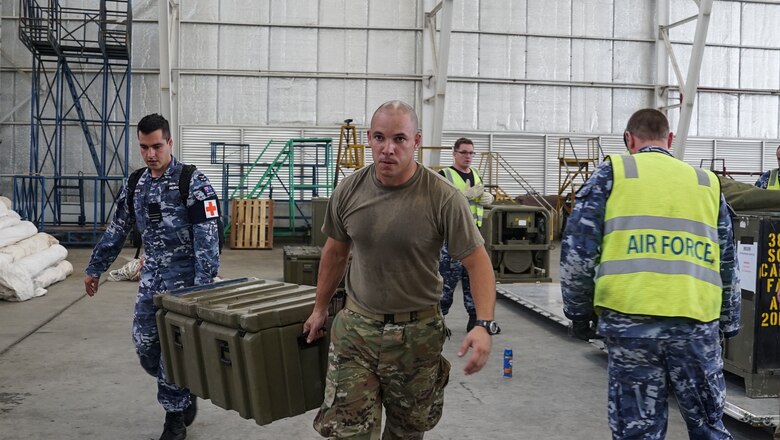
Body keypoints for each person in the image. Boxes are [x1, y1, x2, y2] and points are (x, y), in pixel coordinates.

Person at [302, 100, 498, 439]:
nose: (387, 149)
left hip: (416, 337)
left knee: (406, 433)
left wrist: (483, 324)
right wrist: (320, 309)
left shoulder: (443, 197)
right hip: (357, 332)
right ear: (368, 139)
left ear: (416, 141)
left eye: (399, 139)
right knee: (347, 433)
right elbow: (335, 252)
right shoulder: (349, 191)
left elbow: (477, 262)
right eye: (379, 138)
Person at [560, 108, 740, 440]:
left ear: (629, 139)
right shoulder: (706, 182)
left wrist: (579, 314)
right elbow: (727, 261)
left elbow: (578, 254)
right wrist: (729, 322)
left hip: (631, 325)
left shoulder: (611, 174)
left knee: (637, 430)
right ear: (670, 140)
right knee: (709, 427)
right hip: (696, 325)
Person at [84, 113, 220, 440]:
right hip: (151, 279)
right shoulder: (136, 184)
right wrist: (95, 267)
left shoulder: (193, 182)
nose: (150, 154)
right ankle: (184, 388)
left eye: (157, 146)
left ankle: (174, 417)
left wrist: (202, 290)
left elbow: (208, 239)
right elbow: (118, 230)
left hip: (186, 285)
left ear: (170, 142)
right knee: (146, 348)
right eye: (144, 147)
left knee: (177, 350)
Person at [437, 137, 494, 332]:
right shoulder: (444, 175)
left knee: (473, 279)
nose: (468, 156)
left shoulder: (476, 174)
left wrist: (487, 198)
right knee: (447, 281)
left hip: (474, 235)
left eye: (471, 153)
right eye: (464, 152)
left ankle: (475, 320)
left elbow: (478, 201)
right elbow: (439, 203)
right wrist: (464, 196)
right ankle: (437, 321)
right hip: (452, 236)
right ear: (454, 153)